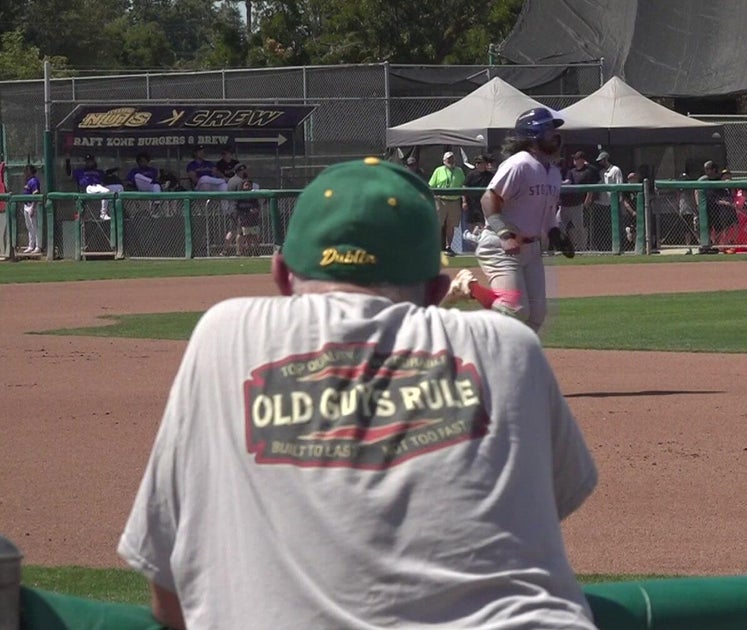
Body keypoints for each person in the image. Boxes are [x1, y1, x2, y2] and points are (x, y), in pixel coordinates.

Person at [118, 156, 599, 630]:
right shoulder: (508, 345)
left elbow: (168, 585)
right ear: (435, 290)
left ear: (282, 275)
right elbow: (548, 503)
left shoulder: (224, 334)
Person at [444, 107, 567, 332]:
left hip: (531, 249)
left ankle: (518, 363)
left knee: (537, 315)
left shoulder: (553, 172)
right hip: (500, 246)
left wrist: (556, 233)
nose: (555, 136)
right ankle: (469, 288)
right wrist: (503, 233)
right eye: (549, 130)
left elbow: (546, 213)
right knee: (515, 310)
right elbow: (489, 198)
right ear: (533, 135)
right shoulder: (519, 164)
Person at [560, 150, 601, 251]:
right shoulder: (571, 171)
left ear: (582, 160)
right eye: (574, 158)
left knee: (579, 228)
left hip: (577, 204)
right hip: (564, 204)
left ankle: (582, 248)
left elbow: (590, 186)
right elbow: (568, 182)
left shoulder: (587, 172)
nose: (574, 160)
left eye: (576, 158)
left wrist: (588, 199)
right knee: (559, 225)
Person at [428, 151, 467, 256]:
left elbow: (463, 186)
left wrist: (464, 201)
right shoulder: (438, 170)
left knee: (451, 226)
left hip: (454, 201)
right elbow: (431, 185)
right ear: (444, 160)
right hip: (441, 201)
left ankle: (448, 247)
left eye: (452, 158)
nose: (451, 160)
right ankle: (435, 248)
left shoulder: (459, 171)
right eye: (448, 158)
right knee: (438, 224)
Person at [67, 153, 122, 220]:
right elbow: (69, 174)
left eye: (91, 161)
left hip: (98, 187)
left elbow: (107, 172)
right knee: (106, 192)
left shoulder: (98, 171)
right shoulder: (79, 171)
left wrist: (117, 168)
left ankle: (117, 212)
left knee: (119, 187)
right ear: (85, 162)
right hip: (88, 188)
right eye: (88, 161)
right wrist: (67, 161)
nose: (89, 163)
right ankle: (103, 214)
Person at [232, 179, 261, 256]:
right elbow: (235, 207)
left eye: (249, 185)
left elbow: (257, 207)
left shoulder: (253, 196)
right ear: (242, 186)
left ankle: (256, 251)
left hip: (253, 220)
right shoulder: (239, 196)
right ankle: (240, 252)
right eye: (246, 185)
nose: (248, 187)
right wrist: (240, 215)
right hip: (242, 220)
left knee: (254, 236)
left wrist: (255, 211)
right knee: (241, 236)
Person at [463, 154, 494, 225]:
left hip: (485, 203)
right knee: (472, 223)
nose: (477, 164)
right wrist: (464, 202)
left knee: (484, 223)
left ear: (485, 164)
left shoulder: (490, 176)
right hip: (472, 204)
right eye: (476, 162)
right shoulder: (471, 175)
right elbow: (464, 187)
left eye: (480, 163)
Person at [21, 164, 41, 254]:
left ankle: (38, 246)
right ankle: (31, 246)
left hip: (32, 205)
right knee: (29, 227)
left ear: (31, 171)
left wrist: (33, 207)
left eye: (27, 170)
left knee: (35, 226)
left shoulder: (33, 181)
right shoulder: (27, 181)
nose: (26, 172)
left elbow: (36, 195)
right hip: (26, 205)